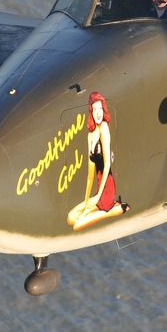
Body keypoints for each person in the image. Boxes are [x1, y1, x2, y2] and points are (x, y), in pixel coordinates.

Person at [66, 92, 129, 230]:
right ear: (91, 112)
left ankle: (110, 211)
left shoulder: (104, 128)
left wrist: (98, 196)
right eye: (95, 110)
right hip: (98, 189)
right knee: (71, 218)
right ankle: (102, 207)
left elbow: (107, 165)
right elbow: (90, 173)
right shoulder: (90, 135)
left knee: (77, 225)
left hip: (106, 190)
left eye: (100, 109)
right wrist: (88, 199)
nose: (98, 113)